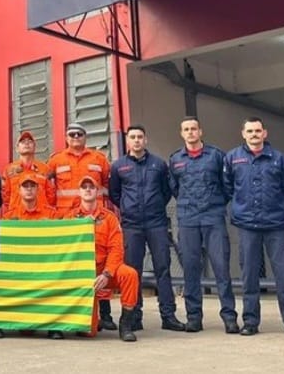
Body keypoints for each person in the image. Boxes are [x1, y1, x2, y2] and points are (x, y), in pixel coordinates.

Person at [224, 117, 284, 337]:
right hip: (247, 224)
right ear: (243, 133)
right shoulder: (232, 158)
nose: (254, 134)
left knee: (283, 274)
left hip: (275, 224)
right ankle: (250, 322)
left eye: (257, 131)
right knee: (249, 275)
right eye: (249, 131)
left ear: (265, 133)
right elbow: (228, 188)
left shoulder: (279, 159)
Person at [109, 125, 185, 332]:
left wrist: (155, 206)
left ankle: (168, 316)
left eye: (140, 137)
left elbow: (166, 191)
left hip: (156, 223)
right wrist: (128, 208)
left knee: (163, 268)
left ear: (146, 140)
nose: (136, 140)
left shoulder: (159, 164)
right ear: (127, 141)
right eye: (132, 137)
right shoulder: (118, 166)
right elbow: (115, 194)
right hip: (132, 225)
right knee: (133, 272)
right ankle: (134, 316)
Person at [168, 117, 238, 334]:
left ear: (201, 131)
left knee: (221, 269)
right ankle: (194, 318)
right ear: (182, 133)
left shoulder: (216, 156)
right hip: (188, 219)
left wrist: (214, 203)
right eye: (186, 129)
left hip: (213, 218)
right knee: (191, 270)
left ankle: (229, 318)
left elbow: (228, 185)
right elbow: (174, 188)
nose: (190, 132)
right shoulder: (175, 159)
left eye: (194, 129)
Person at [47, 122, 114, 330]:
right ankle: (76, 311)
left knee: (99, 264)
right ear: (66, 138)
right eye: (71, 134)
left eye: (79, 133)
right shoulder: (55, 160)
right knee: (72, 266)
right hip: (69, 223)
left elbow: (108, 186)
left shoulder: (99, 159)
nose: (75, 137)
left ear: (85, 137)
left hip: (95, 220)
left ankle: (106, 314)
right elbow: (48, 191)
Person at [69, 176, 140, 342]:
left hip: (106, 270)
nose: (87, 189)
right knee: (88, 333)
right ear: (79, 192)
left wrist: (107, 274)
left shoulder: (109, 218)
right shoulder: (70, 218)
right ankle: (94, 321)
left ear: (97, 192)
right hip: (83, 274)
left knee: (130, 274)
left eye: (91, 187)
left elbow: (116, 249)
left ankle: (126, 324)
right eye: (84, 187)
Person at [2, 174, 61, 339]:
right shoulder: (9, 216)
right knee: (26, 331)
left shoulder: (51, 215)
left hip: (45, 267)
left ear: (38, 189)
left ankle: (54, 325)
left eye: (32, 186)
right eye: (25, 186)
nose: (29, 189)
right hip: (19, 269)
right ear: (19, 190)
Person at [0, 131, 54, 216]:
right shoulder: (9, 170)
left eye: (30, 141)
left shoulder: (45, 169)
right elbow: (5, 197)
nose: (27, 144)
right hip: (17, 217)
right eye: (23, 142)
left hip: (41, 217)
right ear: (17, 148)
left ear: (35, 147)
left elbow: (51, 196)